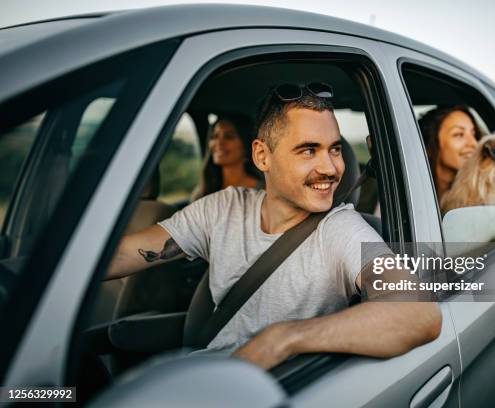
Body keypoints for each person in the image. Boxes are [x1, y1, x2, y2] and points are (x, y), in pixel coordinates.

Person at [107, 84, 442, 369]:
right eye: (309, 150)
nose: (330, 167)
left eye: (335, 149)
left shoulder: (341, 229)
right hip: (204, 377)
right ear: (262, 156)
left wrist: (285, 338)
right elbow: (124, 253)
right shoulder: (224, 208)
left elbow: (417, 314)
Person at [191, 113, 263, 201]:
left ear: (246, 144)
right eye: (214, 137)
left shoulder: (263, 191)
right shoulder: (202, 192)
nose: (219, 143)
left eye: (228, 137)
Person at [419, 106, 482, 199]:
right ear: (429, 147)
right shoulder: (414, 195)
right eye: (459, 134)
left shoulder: (481, 196)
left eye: (474, 134)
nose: (474, 144)